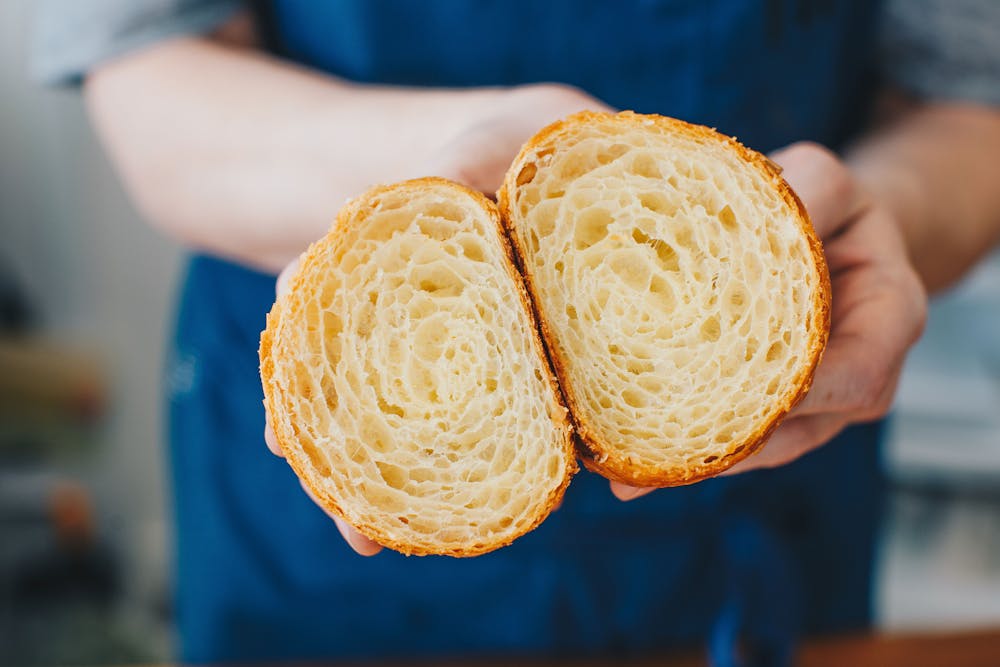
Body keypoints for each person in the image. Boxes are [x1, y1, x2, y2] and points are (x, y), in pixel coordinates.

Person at [33, 0, 1000, 664]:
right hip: (333, 519)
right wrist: (454, 176)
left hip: (768, 494)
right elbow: (151, 81)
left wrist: (879, 215)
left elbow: (974, 98)